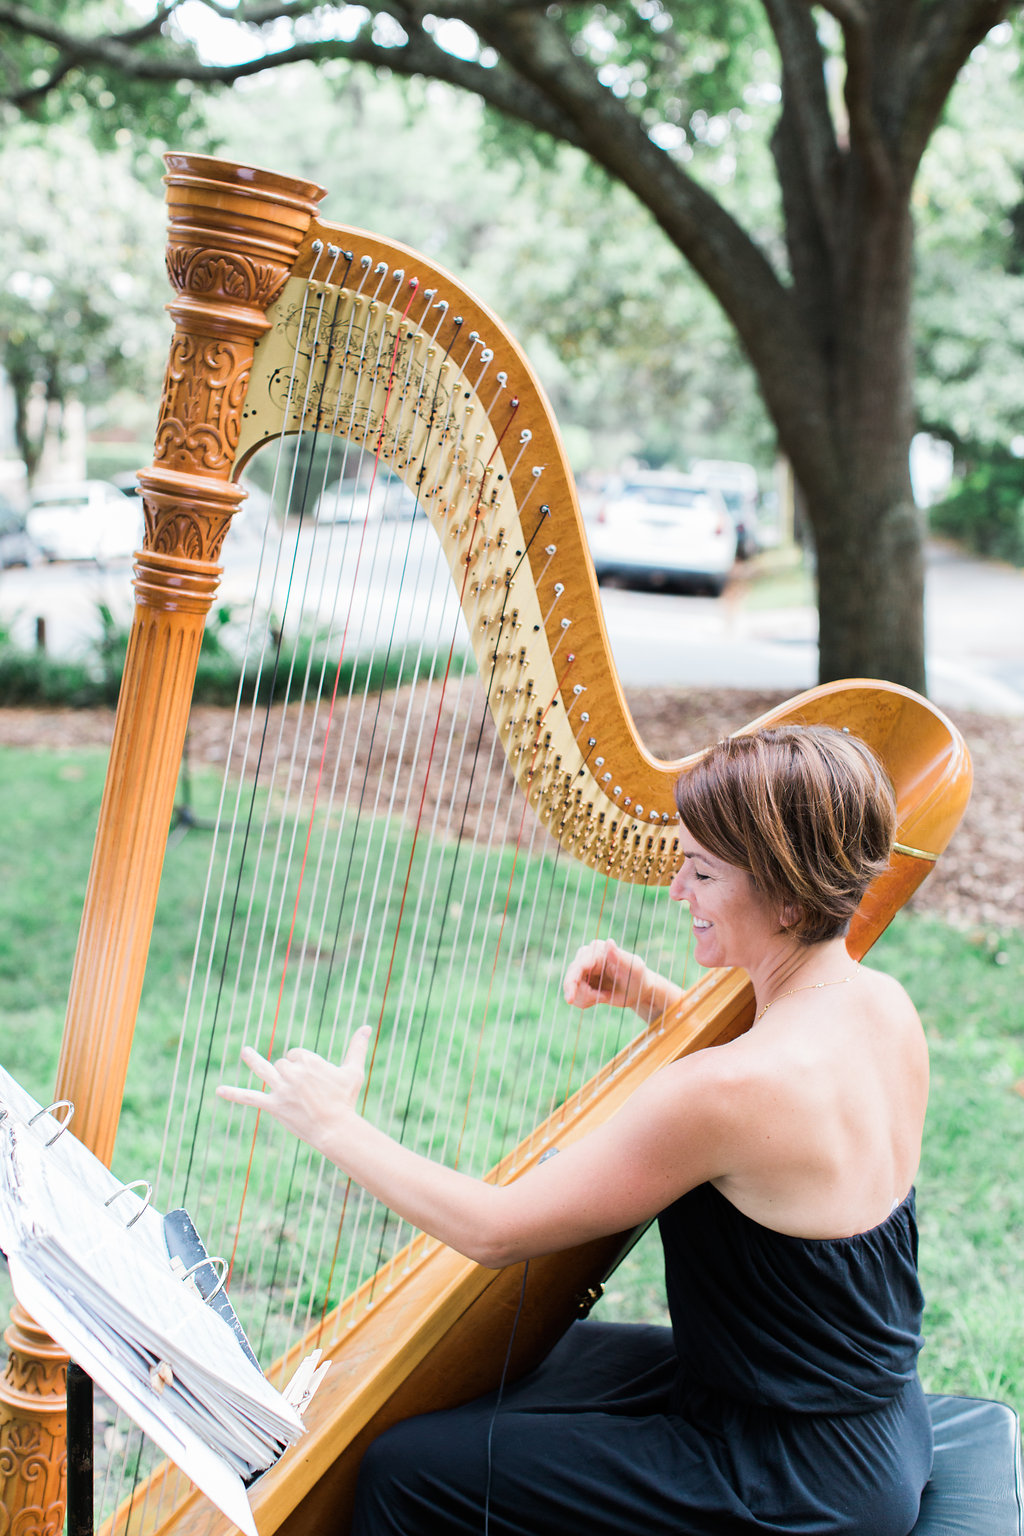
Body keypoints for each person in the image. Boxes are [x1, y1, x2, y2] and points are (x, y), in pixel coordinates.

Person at [218, 724, 934, 1536]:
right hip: (866, 1421)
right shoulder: (884, 1007)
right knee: (527, 1357)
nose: (676, 889)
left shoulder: (722, 1091)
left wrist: (336, 1126)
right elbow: (788, 1119)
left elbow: (496, 1231)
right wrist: (656, 1002)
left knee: (405, 1473)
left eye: (700, 871)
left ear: (790, 900)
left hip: (787, 1476)